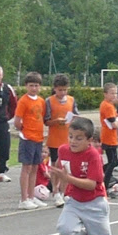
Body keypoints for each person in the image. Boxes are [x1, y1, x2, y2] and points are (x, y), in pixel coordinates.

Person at [52, 117, 118, 235]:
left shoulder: (93, 156)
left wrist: (68, 179)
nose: (73, 141)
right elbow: (60, 168)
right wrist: (56, 186)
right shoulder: (63, 150)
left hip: (95, 203)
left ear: (89, 140)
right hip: (74, 200)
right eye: (71, 136)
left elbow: (91, 184)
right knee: (65, 230)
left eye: (79, 138)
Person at [12, 71, 47, 210]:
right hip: (27, 138)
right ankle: (23, 198)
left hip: (38, 137)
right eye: (31, 85)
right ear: (26, 86)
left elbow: (42, 117)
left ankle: (32, 196)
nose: (34, 88)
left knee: (35, 167)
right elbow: (17, 121)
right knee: (26, 168)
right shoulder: (23, 101)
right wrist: (24, 130)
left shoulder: (41, 101)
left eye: (36, 85)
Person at [45, 73, 80, 208]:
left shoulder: (71, 100)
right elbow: (46, 121)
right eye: (60, 90)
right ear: (55, 89)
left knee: (66, 166)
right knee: (55, 165)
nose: (62, 92)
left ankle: (64, 191)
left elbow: (77, 114)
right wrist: (56, 121)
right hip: (55, 139)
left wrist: (74, 119)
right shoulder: (50, 101)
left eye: (64, 89)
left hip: (68, 138)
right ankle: (55, 191)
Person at [99, 83, 118, 196]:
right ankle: (104, 183)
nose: (114, 95)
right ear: (105, 94)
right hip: (108, 137)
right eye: (112, 93)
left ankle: (103, 174)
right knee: (113, 161)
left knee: (114, 161)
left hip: (111, 137)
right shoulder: (107, 106)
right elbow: (114, 124)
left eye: (115, 93)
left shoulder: (110, 105)